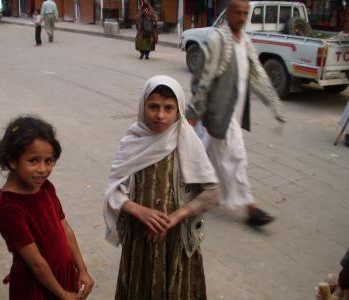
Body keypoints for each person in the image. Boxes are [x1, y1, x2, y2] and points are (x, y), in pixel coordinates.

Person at [104, 75, 219, 299]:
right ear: (142, 106)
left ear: (179, 110)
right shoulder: (132, 142)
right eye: (153, 106)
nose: (160, 115)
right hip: (140, 240)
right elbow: (113, 189)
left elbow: (213, 192)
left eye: (168, 108)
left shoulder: (187, 141)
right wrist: (137, 209)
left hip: (177, 242)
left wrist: (178, 215)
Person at [186, 0, 286, 227]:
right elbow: (202, 79)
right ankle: (250, 207)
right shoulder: (216, 40)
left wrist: (274, 105)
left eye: (245, 13)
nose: (241, 17)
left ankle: (197, 187)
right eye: (237, 12)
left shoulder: (246, 42)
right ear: (227, 13)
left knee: (210, 151)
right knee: (236, 156)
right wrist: (194, 111)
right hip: (218, 112)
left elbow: (258, 75)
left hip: (234, 111)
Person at [0, 116, 94, 300]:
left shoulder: (45, 187)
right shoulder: (9, 209)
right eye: (33, 161)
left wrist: (82, 269)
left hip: (64, 277)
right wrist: (63, 295)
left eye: (49, 161)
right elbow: (37, 264)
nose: (43, 169)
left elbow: (65, 228)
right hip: (36, 288)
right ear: (12, 161)